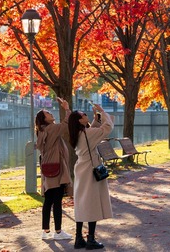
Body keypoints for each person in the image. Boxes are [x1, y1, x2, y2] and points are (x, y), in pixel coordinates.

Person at [69, 104, 113, 250]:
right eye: (83, 115)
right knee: (92, 203)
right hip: (90, 169)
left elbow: (91, 133)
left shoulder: (77, 133)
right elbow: (107, 128)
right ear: (80, 121)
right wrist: (103, 111)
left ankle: (78, 238)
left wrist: (95, 119)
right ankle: (91, 239)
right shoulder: (87, 134)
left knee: (81, 204)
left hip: (81, 168)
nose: (85, 115)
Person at [36, 98, 73, 241]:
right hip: (56, 169)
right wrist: (67, 108)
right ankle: (58, 232)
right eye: (48, 113)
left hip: (48, 168)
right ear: (44, 118)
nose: (51, 114)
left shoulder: (42, 131)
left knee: (49, 201)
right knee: (56, 200)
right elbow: (66, 124)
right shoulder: (51, 128)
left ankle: (46, 231)